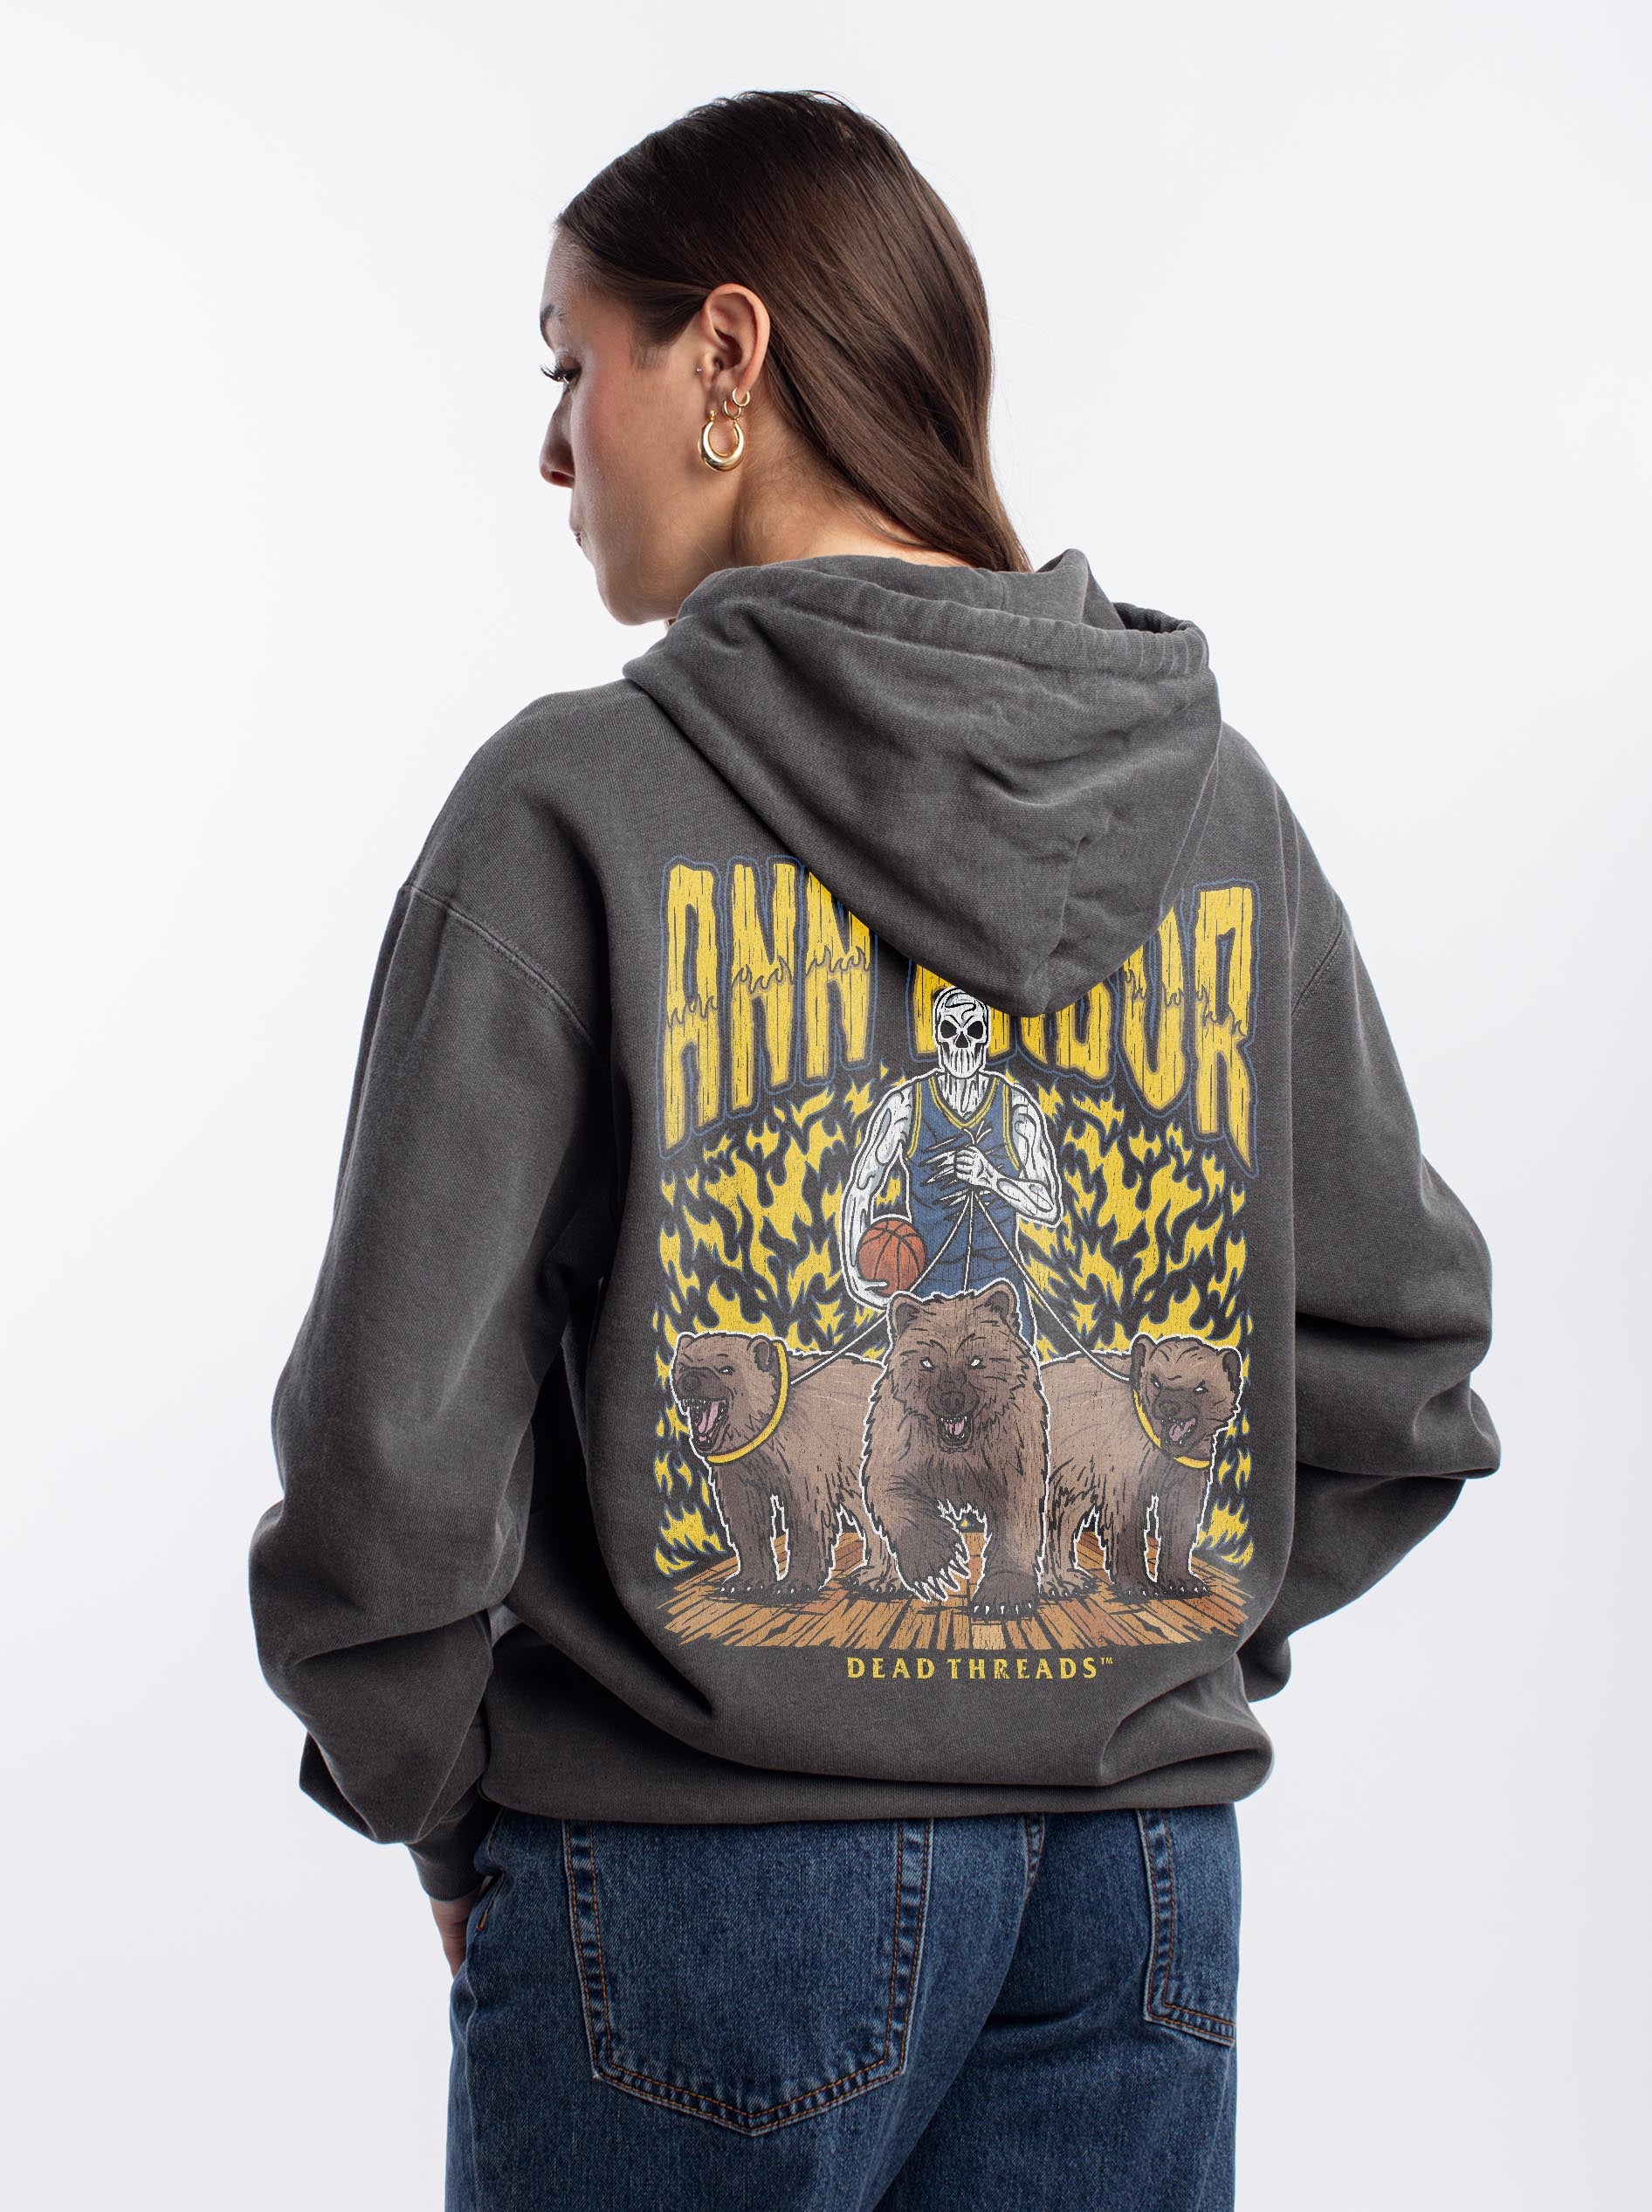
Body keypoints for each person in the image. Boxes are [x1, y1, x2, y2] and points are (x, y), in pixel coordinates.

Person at [247, 88, 1500, 2212]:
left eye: (573, 363)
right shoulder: (1216, 812)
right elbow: (1401, 1373)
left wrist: (443, 1798)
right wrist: (1122, 1649)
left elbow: (390, 1452)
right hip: (1131, 1893)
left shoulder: (575, 809)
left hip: (691, 1878)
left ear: (724, 356)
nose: (554, 448)